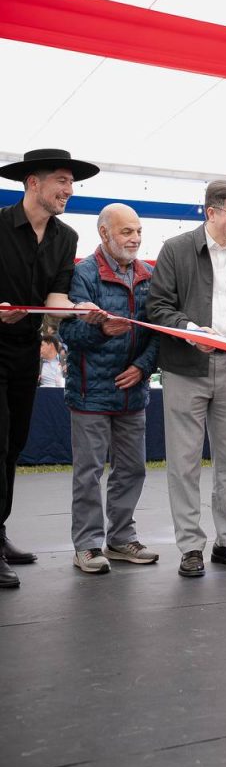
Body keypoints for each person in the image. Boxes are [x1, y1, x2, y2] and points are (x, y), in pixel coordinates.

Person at [146, 180, 226, 579]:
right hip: (185, 367)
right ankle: (190, 546)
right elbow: (157, 306)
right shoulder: (175, 250)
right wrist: (190, 330)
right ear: (211, 211)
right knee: (183, 462)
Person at [0, 148, 102, 590]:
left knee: (13, 446)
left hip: (24, 350)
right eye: (61, 180)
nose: (69, 190)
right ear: (33, 182)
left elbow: (54, 300)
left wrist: (81, 309)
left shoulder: (66, 237)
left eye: (71, 182)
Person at [60, 204, 160, 574]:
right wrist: (101, 329)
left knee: (132, 469)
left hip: (133, 393)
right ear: (104, 233)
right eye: (126, 232)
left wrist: (142, 367)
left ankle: (120, 539)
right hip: (90, 393)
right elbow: (68, 332)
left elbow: (157, 331)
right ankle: (87, 545)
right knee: (88, 473)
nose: (135, 239)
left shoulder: (149, 275)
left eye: (138, 231)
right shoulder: (83, 274)